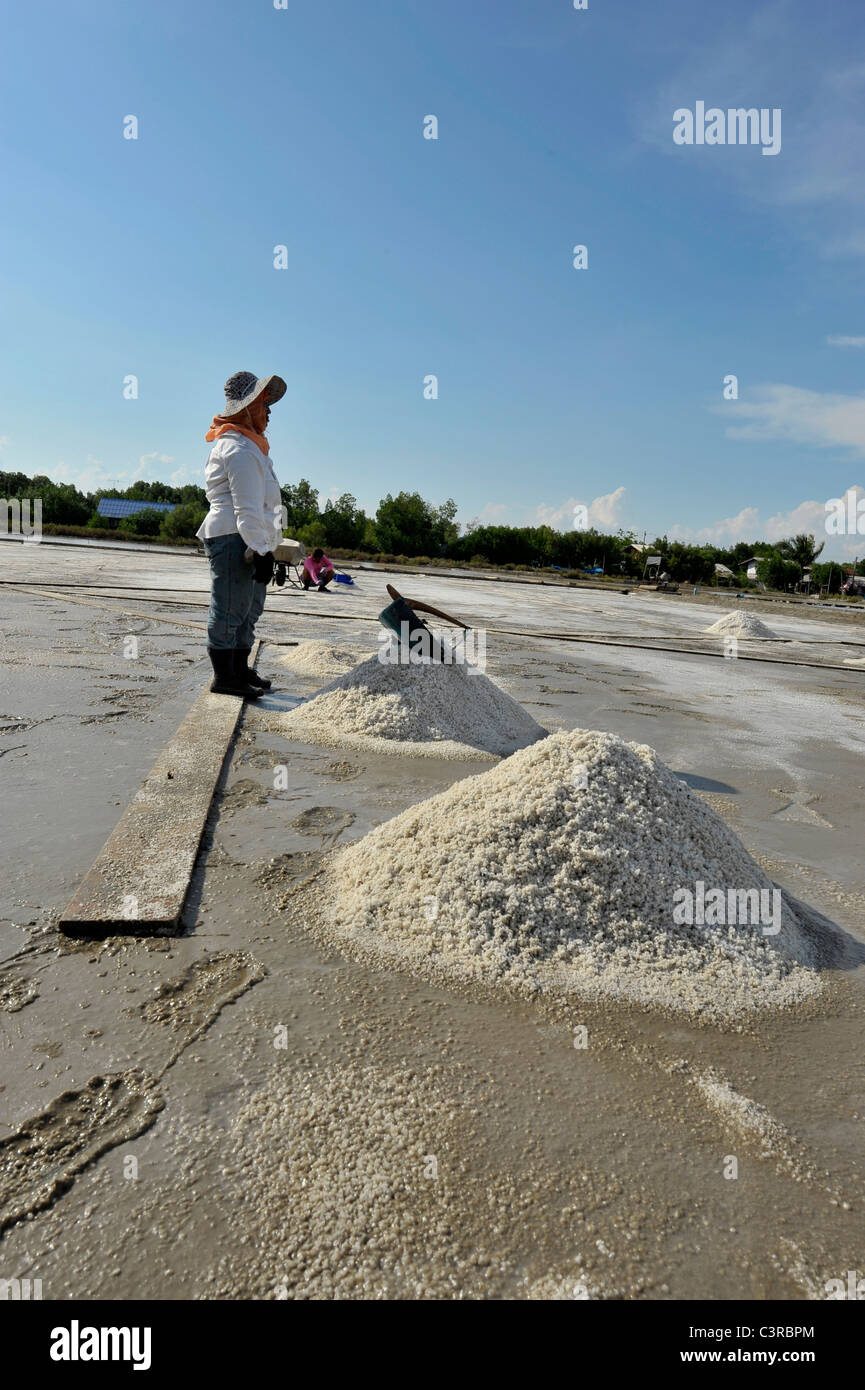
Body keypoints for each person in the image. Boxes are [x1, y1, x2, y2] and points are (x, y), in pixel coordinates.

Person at [196, 370, 287, 697]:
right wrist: (260, 549)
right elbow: (246, 509)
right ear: (247, 408)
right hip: (235, 536)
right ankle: (224, 677)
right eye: (264, 404)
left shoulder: (252, 446)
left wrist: (269, 547)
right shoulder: (238, 449)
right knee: (230, 608)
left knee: (248, 610)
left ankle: (239, 669)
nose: (269, 412)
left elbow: (263, 507)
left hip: (250, 538)